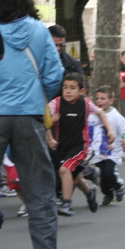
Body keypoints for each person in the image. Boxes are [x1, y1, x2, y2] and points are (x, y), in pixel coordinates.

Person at [0, 0, 65, 249]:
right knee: (39, 190)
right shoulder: (40, 32)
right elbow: (55, 75)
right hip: (29, 118)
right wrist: (37, 98)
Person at [47, 73, 115, 216]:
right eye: (65, 87)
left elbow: (101, 114)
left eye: (72, 88)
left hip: (80, 147)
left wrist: (110, 131)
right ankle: (90, 192)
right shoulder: (57, 103)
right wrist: (50, 137)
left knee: (64, 170)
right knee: (76, 178)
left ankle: (67, 204)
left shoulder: (86, 104)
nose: (68, 91)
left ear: (81, 91)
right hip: (62, 148)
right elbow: (45, 118)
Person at [89, 86, 125, 206]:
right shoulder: (92, 114)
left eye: (103, 98)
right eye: (97, 98)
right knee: (101, 177)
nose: (99, 101)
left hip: (113, 151)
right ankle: (108, 194)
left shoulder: (115, 116)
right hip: (98, 152)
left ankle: (118, 186)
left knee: (109, 172)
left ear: (111, 101)